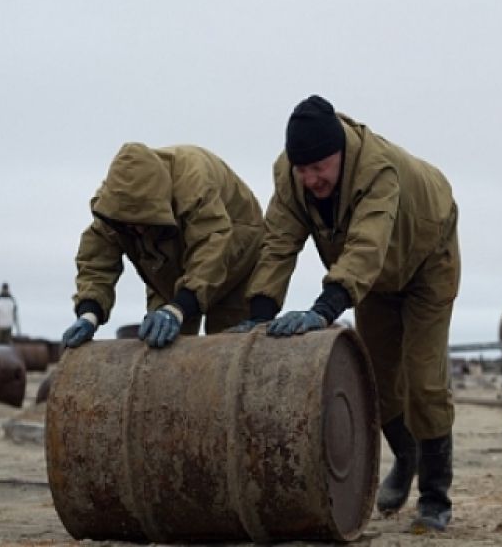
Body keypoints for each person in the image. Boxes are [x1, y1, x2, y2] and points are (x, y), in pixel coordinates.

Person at [230, 96, 460, 533]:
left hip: (428, 259)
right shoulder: (292, 175)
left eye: (321, 167)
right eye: (304, 169)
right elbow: (279, 241)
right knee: (375, 376)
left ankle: (435, 495)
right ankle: (405, 458)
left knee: (423, 379)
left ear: (341, 153)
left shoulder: (378, 170)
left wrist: (324, 310)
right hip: (373, 277)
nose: (312, 178)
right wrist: (260, 311)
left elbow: (367, 246)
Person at [63, 142, 263, 350]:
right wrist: (89, 313)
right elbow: (96, 261)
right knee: (161, 344)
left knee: (227, 347)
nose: (137, 230)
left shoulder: (195, 183)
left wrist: (179, 308)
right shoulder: (111, 206)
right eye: (130, 225)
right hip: (164, 261)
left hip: (234, 254)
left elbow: (211, 248)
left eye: (143, 222)